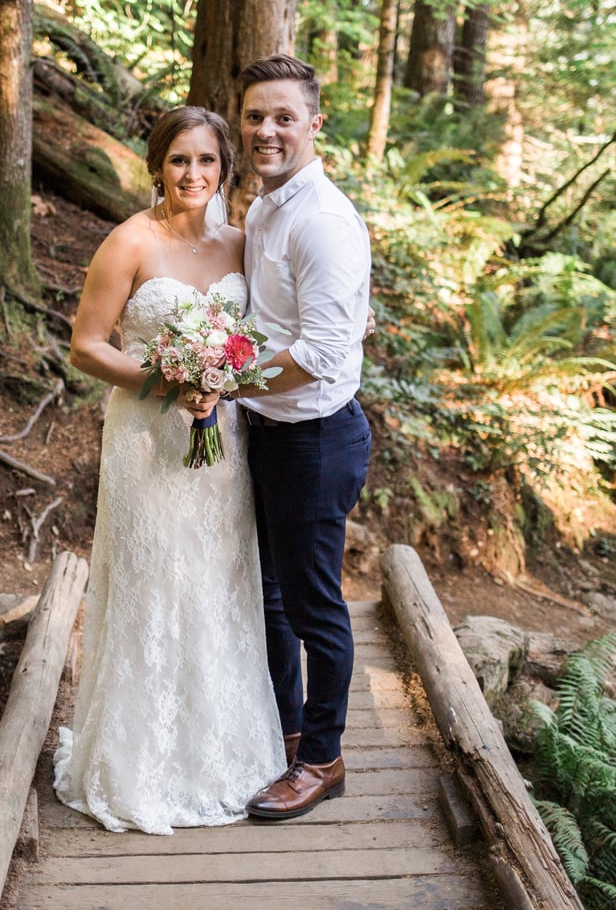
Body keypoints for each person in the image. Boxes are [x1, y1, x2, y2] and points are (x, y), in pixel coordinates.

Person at [52, 106, 285, 835]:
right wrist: (164, 380)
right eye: (179, 160)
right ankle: (136, 763)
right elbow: (86, 346)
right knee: (153, 582)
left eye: (207, 161)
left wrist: (227, 378)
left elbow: (272, 334)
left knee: (219, 582)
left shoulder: (244, 244)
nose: (193, 175)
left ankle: (222, 758)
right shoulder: (129, 241)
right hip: (146, 439)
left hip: (224, 440)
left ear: (225, 168)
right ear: (158, 164)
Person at [232, 55, 374, 821]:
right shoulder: (264, 205)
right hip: (272, 431)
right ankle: (287, 731)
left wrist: (224, 385)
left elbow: (319, 354)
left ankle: (322, 759)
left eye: (284, 116)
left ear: (315, 124)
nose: (267, 130)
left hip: (314, 440)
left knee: (315, 607)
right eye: (256, 116)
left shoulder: (320, 217)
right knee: (275, 597)